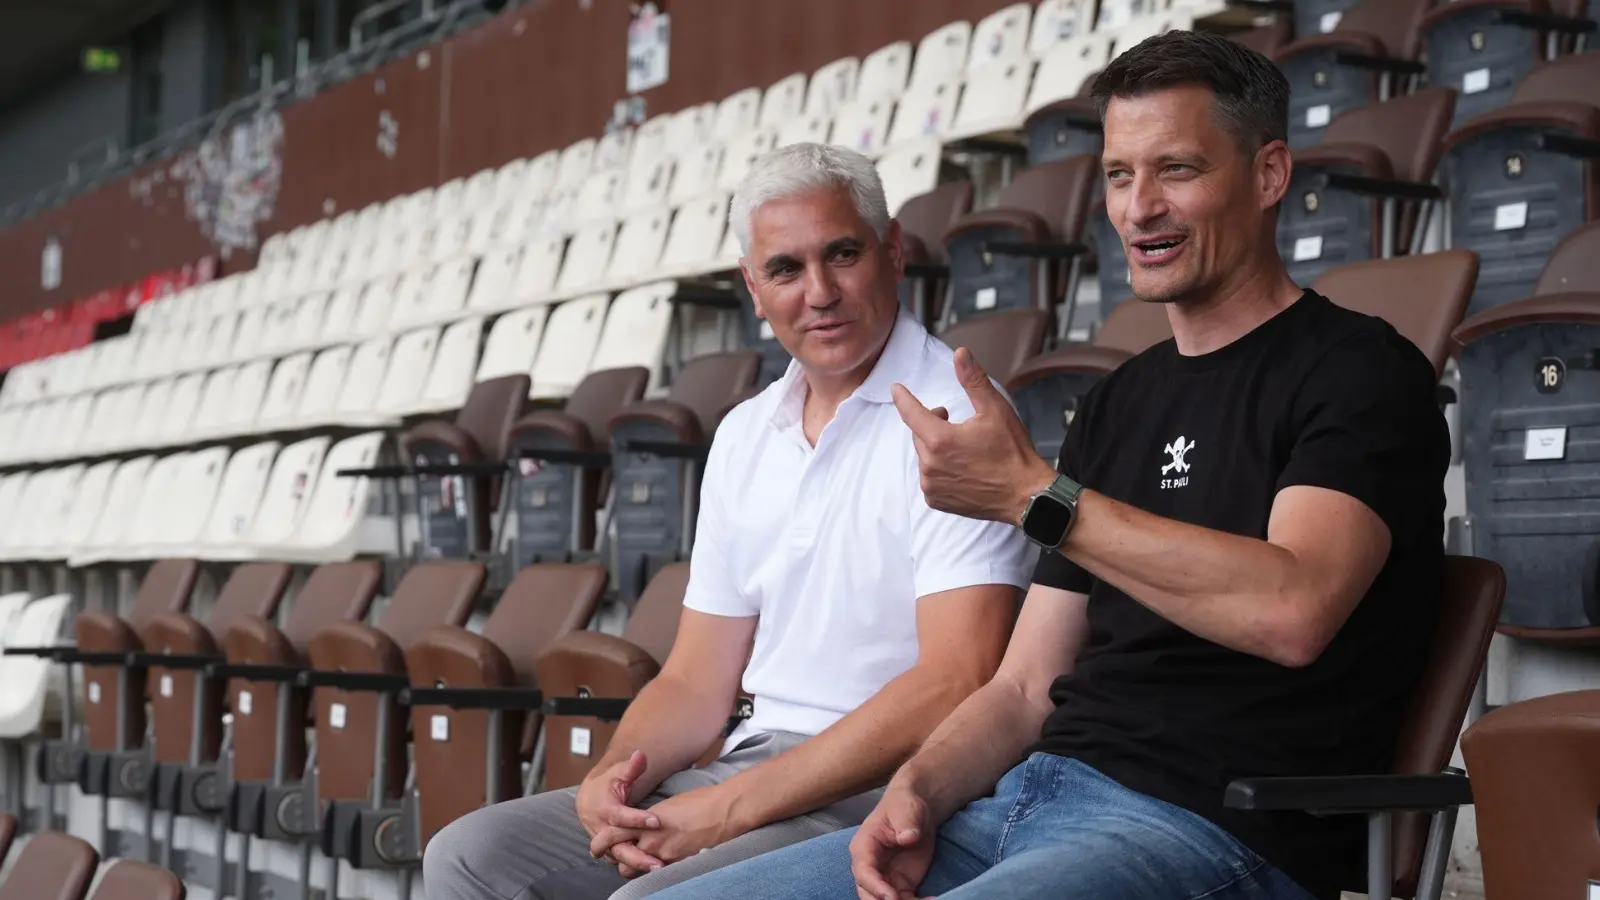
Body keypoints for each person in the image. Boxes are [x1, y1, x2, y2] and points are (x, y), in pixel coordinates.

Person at [648, 29, 1451, 900]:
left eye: (1175, 170)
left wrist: (1039, 494)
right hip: (1019, 807)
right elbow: (1027, 684)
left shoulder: (1360, 370)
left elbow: (1294, 609)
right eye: (1117, 174)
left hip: (1211, 833)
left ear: (1268, 176)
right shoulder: (1119, 402)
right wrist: (919, 789)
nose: (1139, 207)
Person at [421, 142, 1035, 900]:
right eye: (785, 269)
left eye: (843, 254)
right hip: (754, 764)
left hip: (893, 785)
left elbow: (955, 681)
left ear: (894, 252)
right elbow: (694, 679)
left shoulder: (959, 416)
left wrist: (725, 811)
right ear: (753, 288)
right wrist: (617, 775)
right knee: (471, 856)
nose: (819, 292)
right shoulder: (746, 433)